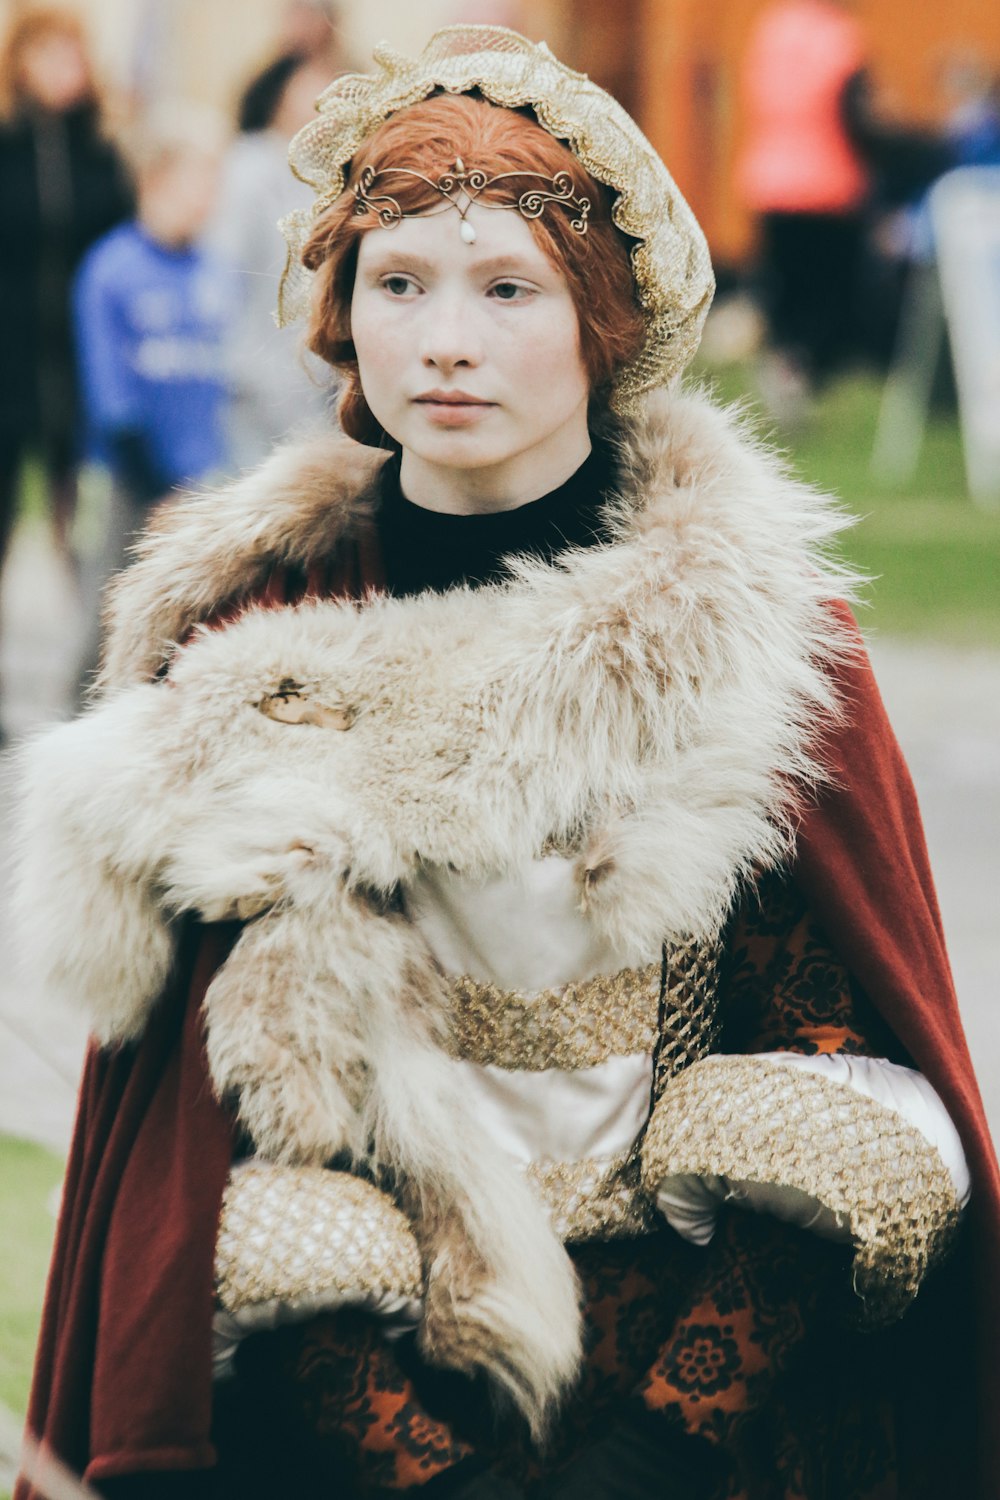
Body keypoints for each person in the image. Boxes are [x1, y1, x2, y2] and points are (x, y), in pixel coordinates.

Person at [14, 26, 1000, 1500]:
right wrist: (433, 1472)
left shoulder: (755, 636)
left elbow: (831, 1059)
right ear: (344, 313)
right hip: (356, 1402)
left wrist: (649, 1452)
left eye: (506, 289)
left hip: (706, 1420)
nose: (444, 340)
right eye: (397, 284)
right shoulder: (251, 645)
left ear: (603, 318)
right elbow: (215, 1150)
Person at [0, 5, 131, 730]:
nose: (59, 71)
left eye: (70, 56)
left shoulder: (102, 158)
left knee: (84, 529)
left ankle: (86, 677)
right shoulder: (7, 149)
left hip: (82, 373)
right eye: (45, 55)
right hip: (11, 366)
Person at [205, 52, 336, 471]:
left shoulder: (333, 172)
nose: (322, 96)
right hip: (253, 363)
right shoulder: (249, 165)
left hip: (314, 366)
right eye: (311, 85)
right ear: (282, 94)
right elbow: (222, 265)